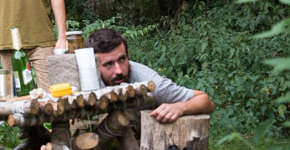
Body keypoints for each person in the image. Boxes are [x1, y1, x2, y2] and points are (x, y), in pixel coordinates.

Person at [85, 28, 214, 123]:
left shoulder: (153, 85)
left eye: (122, 59)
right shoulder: (84, 79)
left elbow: (205, 101)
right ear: (93, 67)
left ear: (128, 56)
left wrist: (180, 107)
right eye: (108, 64)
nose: (119, 71)